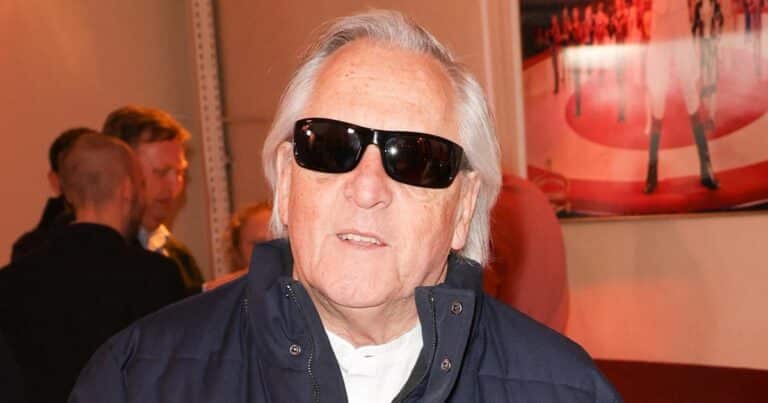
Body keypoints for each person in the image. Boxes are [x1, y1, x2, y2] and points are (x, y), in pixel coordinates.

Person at [70, 10, 620, 402]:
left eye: (416, 158)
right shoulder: (137, 377)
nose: (367, 187)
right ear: (287, 180)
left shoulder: (566, 390)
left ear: (463, 209)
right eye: (332, 146)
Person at [0, 133, 185, 403]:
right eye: (141, 183)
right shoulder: (155, 276)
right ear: (127, 189)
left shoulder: (11, 282)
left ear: (69, 193)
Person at [102, 105, 204, 295]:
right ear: (122, 175)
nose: (175, 185)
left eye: (180, 173)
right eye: (161, 172)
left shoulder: (178, 255)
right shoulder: (101, 260)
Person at [643, 0, 719, 193]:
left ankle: (706, 168)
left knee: (692, 97)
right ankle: (652, 171)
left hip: (680, 22)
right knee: (657, 101)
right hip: (660, 24)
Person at [10, 127, 91, 262]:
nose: (88, 182)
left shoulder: (124, 237)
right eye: (75, 173)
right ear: (55, 180)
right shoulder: (31, 250)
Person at [202, 202, 273, 291]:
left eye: (282, 240)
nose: (274, 250)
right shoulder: (225, 293)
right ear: (238, 253)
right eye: (261, 244)